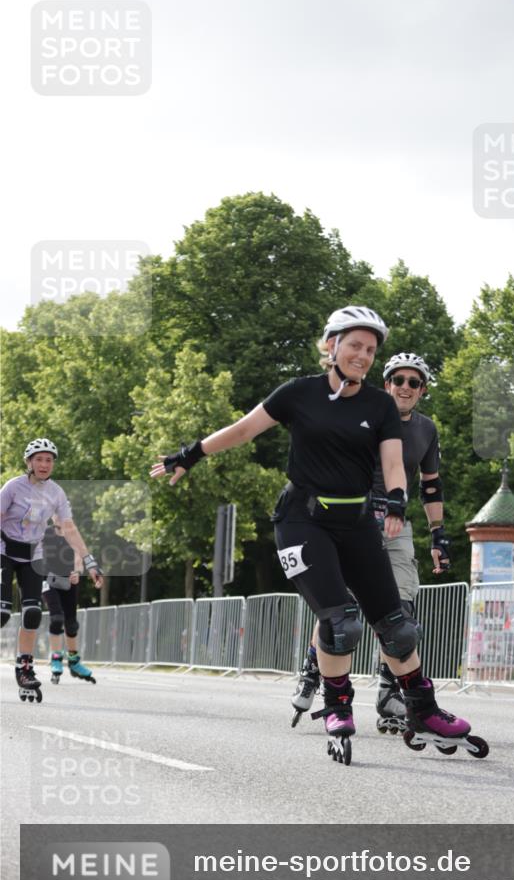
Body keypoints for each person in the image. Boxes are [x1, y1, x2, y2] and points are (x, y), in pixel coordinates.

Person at [150, 306, 473, 764]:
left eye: (370, 349)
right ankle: (339, 707)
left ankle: (424, 708)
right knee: (341, 622)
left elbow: (394, 463)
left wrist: (399, 498)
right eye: (355, 345)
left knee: (397, 627)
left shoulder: (380, 404)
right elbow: (244, 430)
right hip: (302, 520)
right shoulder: (299, 393)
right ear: (331, 345)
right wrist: (191, 453)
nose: (362, 355)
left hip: (357, 522)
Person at [291, 351, 452, 732]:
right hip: (352, 522)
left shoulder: (426, 430)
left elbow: (431, 485)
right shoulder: (363, 416)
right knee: (340, 612)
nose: (405, 388)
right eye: (399, 380)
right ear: (387, 384)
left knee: (401, 616)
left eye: (414, 382)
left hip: (396, 527)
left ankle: (388, 692)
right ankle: (313, 671)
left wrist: (438, 535)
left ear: (422, 390)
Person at [1, 439, 103, 701]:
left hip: (32, 555)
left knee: (32, 613)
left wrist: (88, 560)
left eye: (49, 460)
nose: (44, 464)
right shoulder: (13, 487)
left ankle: (25, 669)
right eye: (39, 459)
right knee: (1, 612)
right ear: (29, 462)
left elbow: (68, 527)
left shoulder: (56, 493)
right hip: (4, 550)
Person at [40, 520, 98, 684]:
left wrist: (77, 571)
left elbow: (79, 555)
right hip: (48, 580)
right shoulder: (46, 532)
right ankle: (56, 658)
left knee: (71, 623)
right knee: (57, 618)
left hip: (68, 581)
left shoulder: (73, 533)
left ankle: (74, 661)